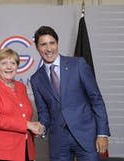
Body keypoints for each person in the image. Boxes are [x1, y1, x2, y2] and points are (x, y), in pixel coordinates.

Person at [30, 26, 111, 161]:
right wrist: (42, 127)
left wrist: (102, 133)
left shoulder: (78, 64)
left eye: (52, 43)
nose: (49, 49)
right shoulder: (36, 79)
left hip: (86, 137)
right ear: (37, 48)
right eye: (43, 44)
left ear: (57, 43)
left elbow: (96, 99)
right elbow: (44, 112)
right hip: (58, 141)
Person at [0, 48, 43, 161]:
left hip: (24, 150)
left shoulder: (21, 87)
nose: (9, 67)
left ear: (17, 67)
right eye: (4, 63)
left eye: (13, 63)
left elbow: (23, 116)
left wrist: (35, 127)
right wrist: (27, 125)